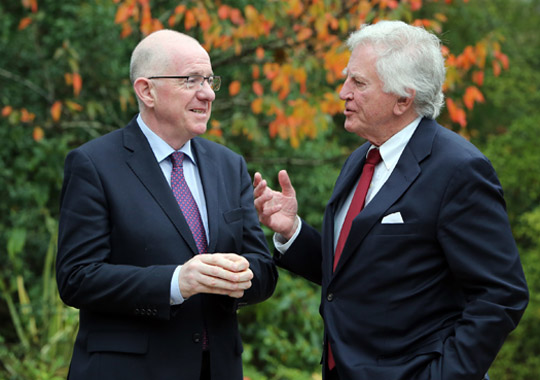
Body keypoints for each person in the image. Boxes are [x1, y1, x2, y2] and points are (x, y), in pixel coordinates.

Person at [253, 20, 528, 380]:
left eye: (358, 82)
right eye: (347, 77)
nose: (342, 92)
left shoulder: (459, 169)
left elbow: (501, 295)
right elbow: (352, 276)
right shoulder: (361, 159)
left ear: (403, 99)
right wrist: (292, 232)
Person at [56, 30, 277, 380]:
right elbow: (77, 278)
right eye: (191, 80)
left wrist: (240, 276)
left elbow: (262, 270)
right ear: (147, 91)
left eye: (209, 80)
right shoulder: (93, 164)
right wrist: (175, 282)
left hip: (217, 369)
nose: (207, 93)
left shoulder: (229, 165)